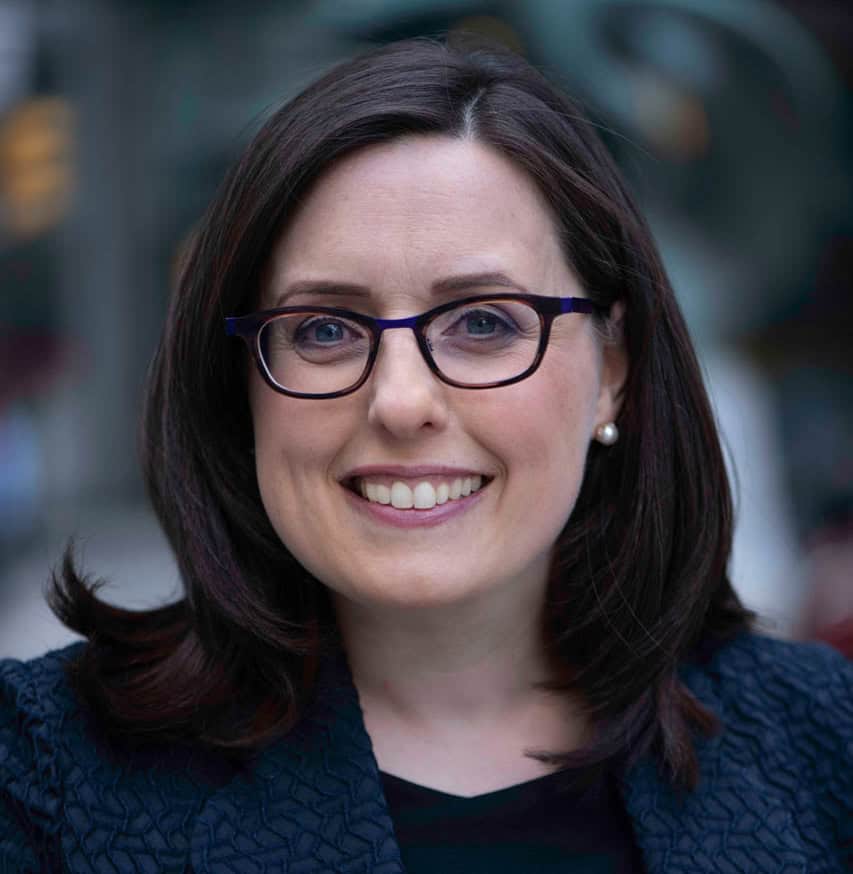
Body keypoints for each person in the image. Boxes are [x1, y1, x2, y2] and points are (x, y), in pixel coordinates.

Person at [1, 36, 850, 873]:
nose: (401, 402)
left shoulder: (825, 747)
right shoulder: (40, 772)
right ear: (242, 385)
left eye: (483, 322)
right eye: (324, 330)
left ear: (610, 373)